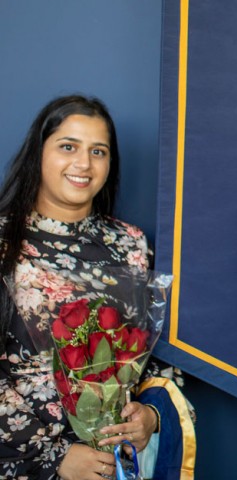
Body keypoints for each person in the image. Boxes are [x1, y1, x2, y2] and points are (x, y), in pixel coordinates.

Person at [0, 95, 162, 479]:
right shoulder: (5, 242)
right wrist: (54, 457)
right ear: (39, 152)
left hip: (115, 461)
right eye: (68, 146)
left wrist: (151, 416)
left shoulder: (131, 245)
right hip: (21, 462)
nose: (83, 164)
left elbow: (158, 357)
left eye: (99, 151)